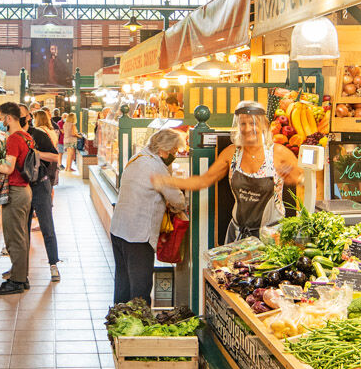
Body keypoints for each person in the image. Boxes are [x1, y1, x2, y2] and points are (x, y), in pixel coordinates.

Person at [152, 101, 302, 242]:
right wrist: (168, 181)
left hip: (271, 236)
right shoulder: (232, 154)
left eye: (253, 123)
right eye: (243, 123)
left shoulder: (279, 153)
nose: (248, 128)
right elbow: (203, 181)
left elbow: (303, 183)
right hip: (238, 236)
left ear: (264, 126)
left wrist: (293, 179)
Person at [109, 129, 187, 304]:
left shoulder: (138, 157)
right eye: (174, 151)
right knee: (140, 289)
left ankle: (119, 324)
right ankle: (138, 327)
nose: (174, 156)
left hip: (119, 230)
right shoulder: (156, 167)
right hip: (137, 236)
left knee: (123, 283)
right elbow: (178, 200)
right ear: (164, 150)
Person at [1, 105, 63, 282]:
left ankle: (53, 264)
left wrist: (35, 153)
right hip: (22, 187)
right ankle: (19, 269)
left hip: (40, 185)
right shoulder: (11, 137)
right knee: (22, 229)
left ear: (27, 117)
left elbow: (54, 156)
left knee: (46, 226)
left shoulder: (38, 135)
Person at [0, 102, 34, 295]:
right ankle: (20, 275)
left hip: (16, 192)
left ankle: (17, 281)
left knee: (14, 237)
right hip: (25, 191)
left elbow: (8, 168)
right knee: (21, 236)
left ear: (8, 118)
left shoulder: (14, 139)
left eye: (0, 118)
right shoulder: (27, 137)